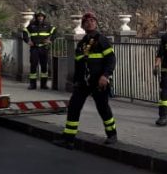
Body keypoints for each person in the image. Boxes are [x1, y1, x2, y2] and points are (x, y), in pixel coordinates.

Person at [55, 12, 118, 148]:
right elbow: (79, 65)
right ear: (83, 25)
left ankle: (112, 135)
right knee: (73, 107)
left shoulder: (102, 40)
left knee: (103, 108)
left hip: (98, 81)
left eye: (92, 21)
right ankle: (69, 139)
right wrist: (76, 81)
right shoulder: (81, 44)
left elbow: (111, 59)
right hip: (83, 83)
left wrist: (105, 76)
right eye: (87, 21)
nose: (90, 23)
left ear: (96, 23)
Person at [22, 11, 55, 90]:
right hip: (34, 48)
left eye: (42, 16)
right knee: (33, 66)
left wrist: (50, 40)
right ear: (36, 17)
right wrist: (27, 41)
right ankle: (32, 85)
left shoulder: (48, 25)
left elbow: (55, 31)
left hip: (44, 48)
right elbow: (25, 31)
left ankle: (44, 85)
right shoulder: (32, 25)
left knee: (44, 67)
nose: (40, 18)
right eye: (39, 16)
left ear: (44, 17)